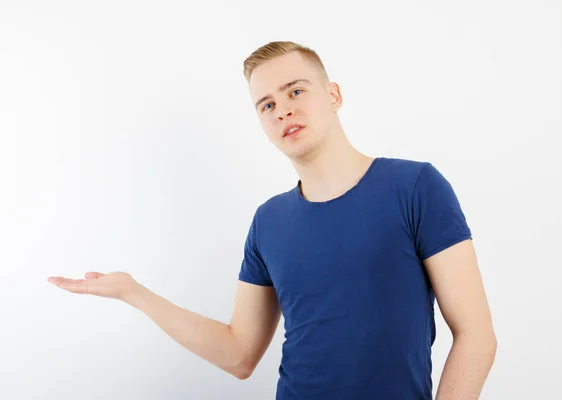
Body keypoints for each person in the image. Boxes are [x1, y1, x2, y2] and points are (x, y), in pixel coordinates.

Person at [48, 41, 497, 399]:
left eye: (295, 91)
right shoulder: (269, 222)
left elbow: (475, 335)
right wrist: (134, 292)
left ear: (333, 95)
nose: (282, 109)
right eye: (266, 104)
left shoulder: (416, 186)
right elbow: (239, 353)